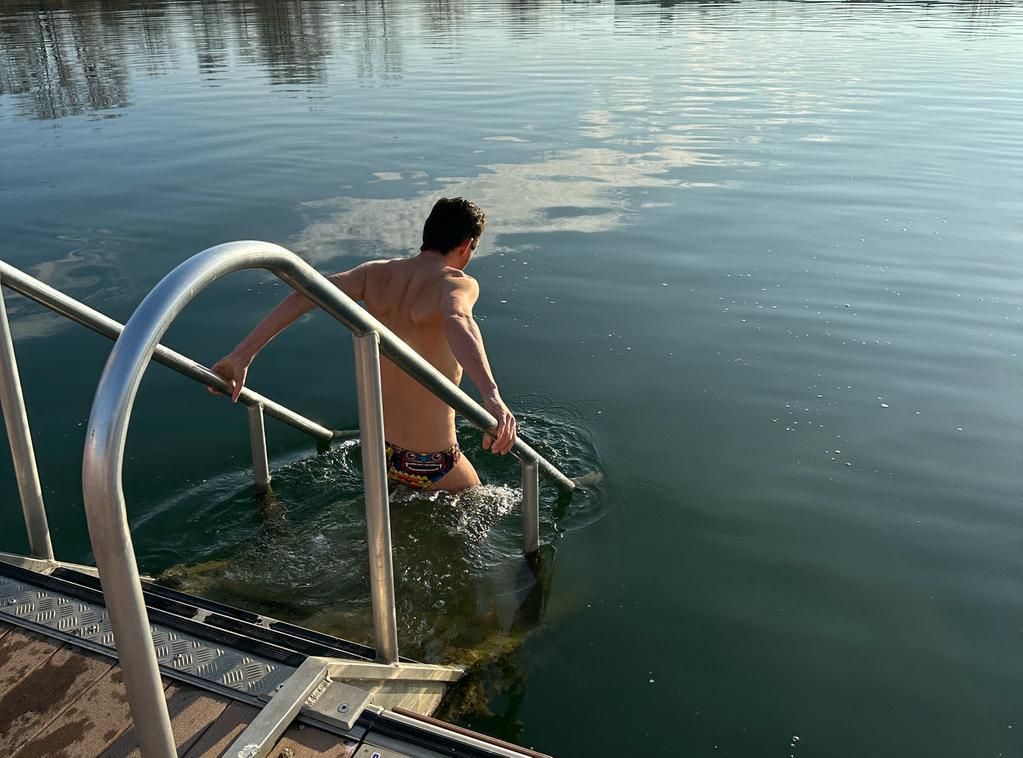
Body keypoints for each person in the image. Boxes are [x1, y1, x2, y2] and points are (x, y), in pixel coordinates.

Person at [210, 197, 516, 492]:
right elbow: (458, 318)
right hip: (434, 462)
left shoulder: (375, 274)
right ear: (466, 246)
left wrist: (242, 355)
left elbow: (305, 293)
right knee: (495, 510)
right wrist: (492, 397)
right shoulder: (456, 282)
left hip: (381, 454)